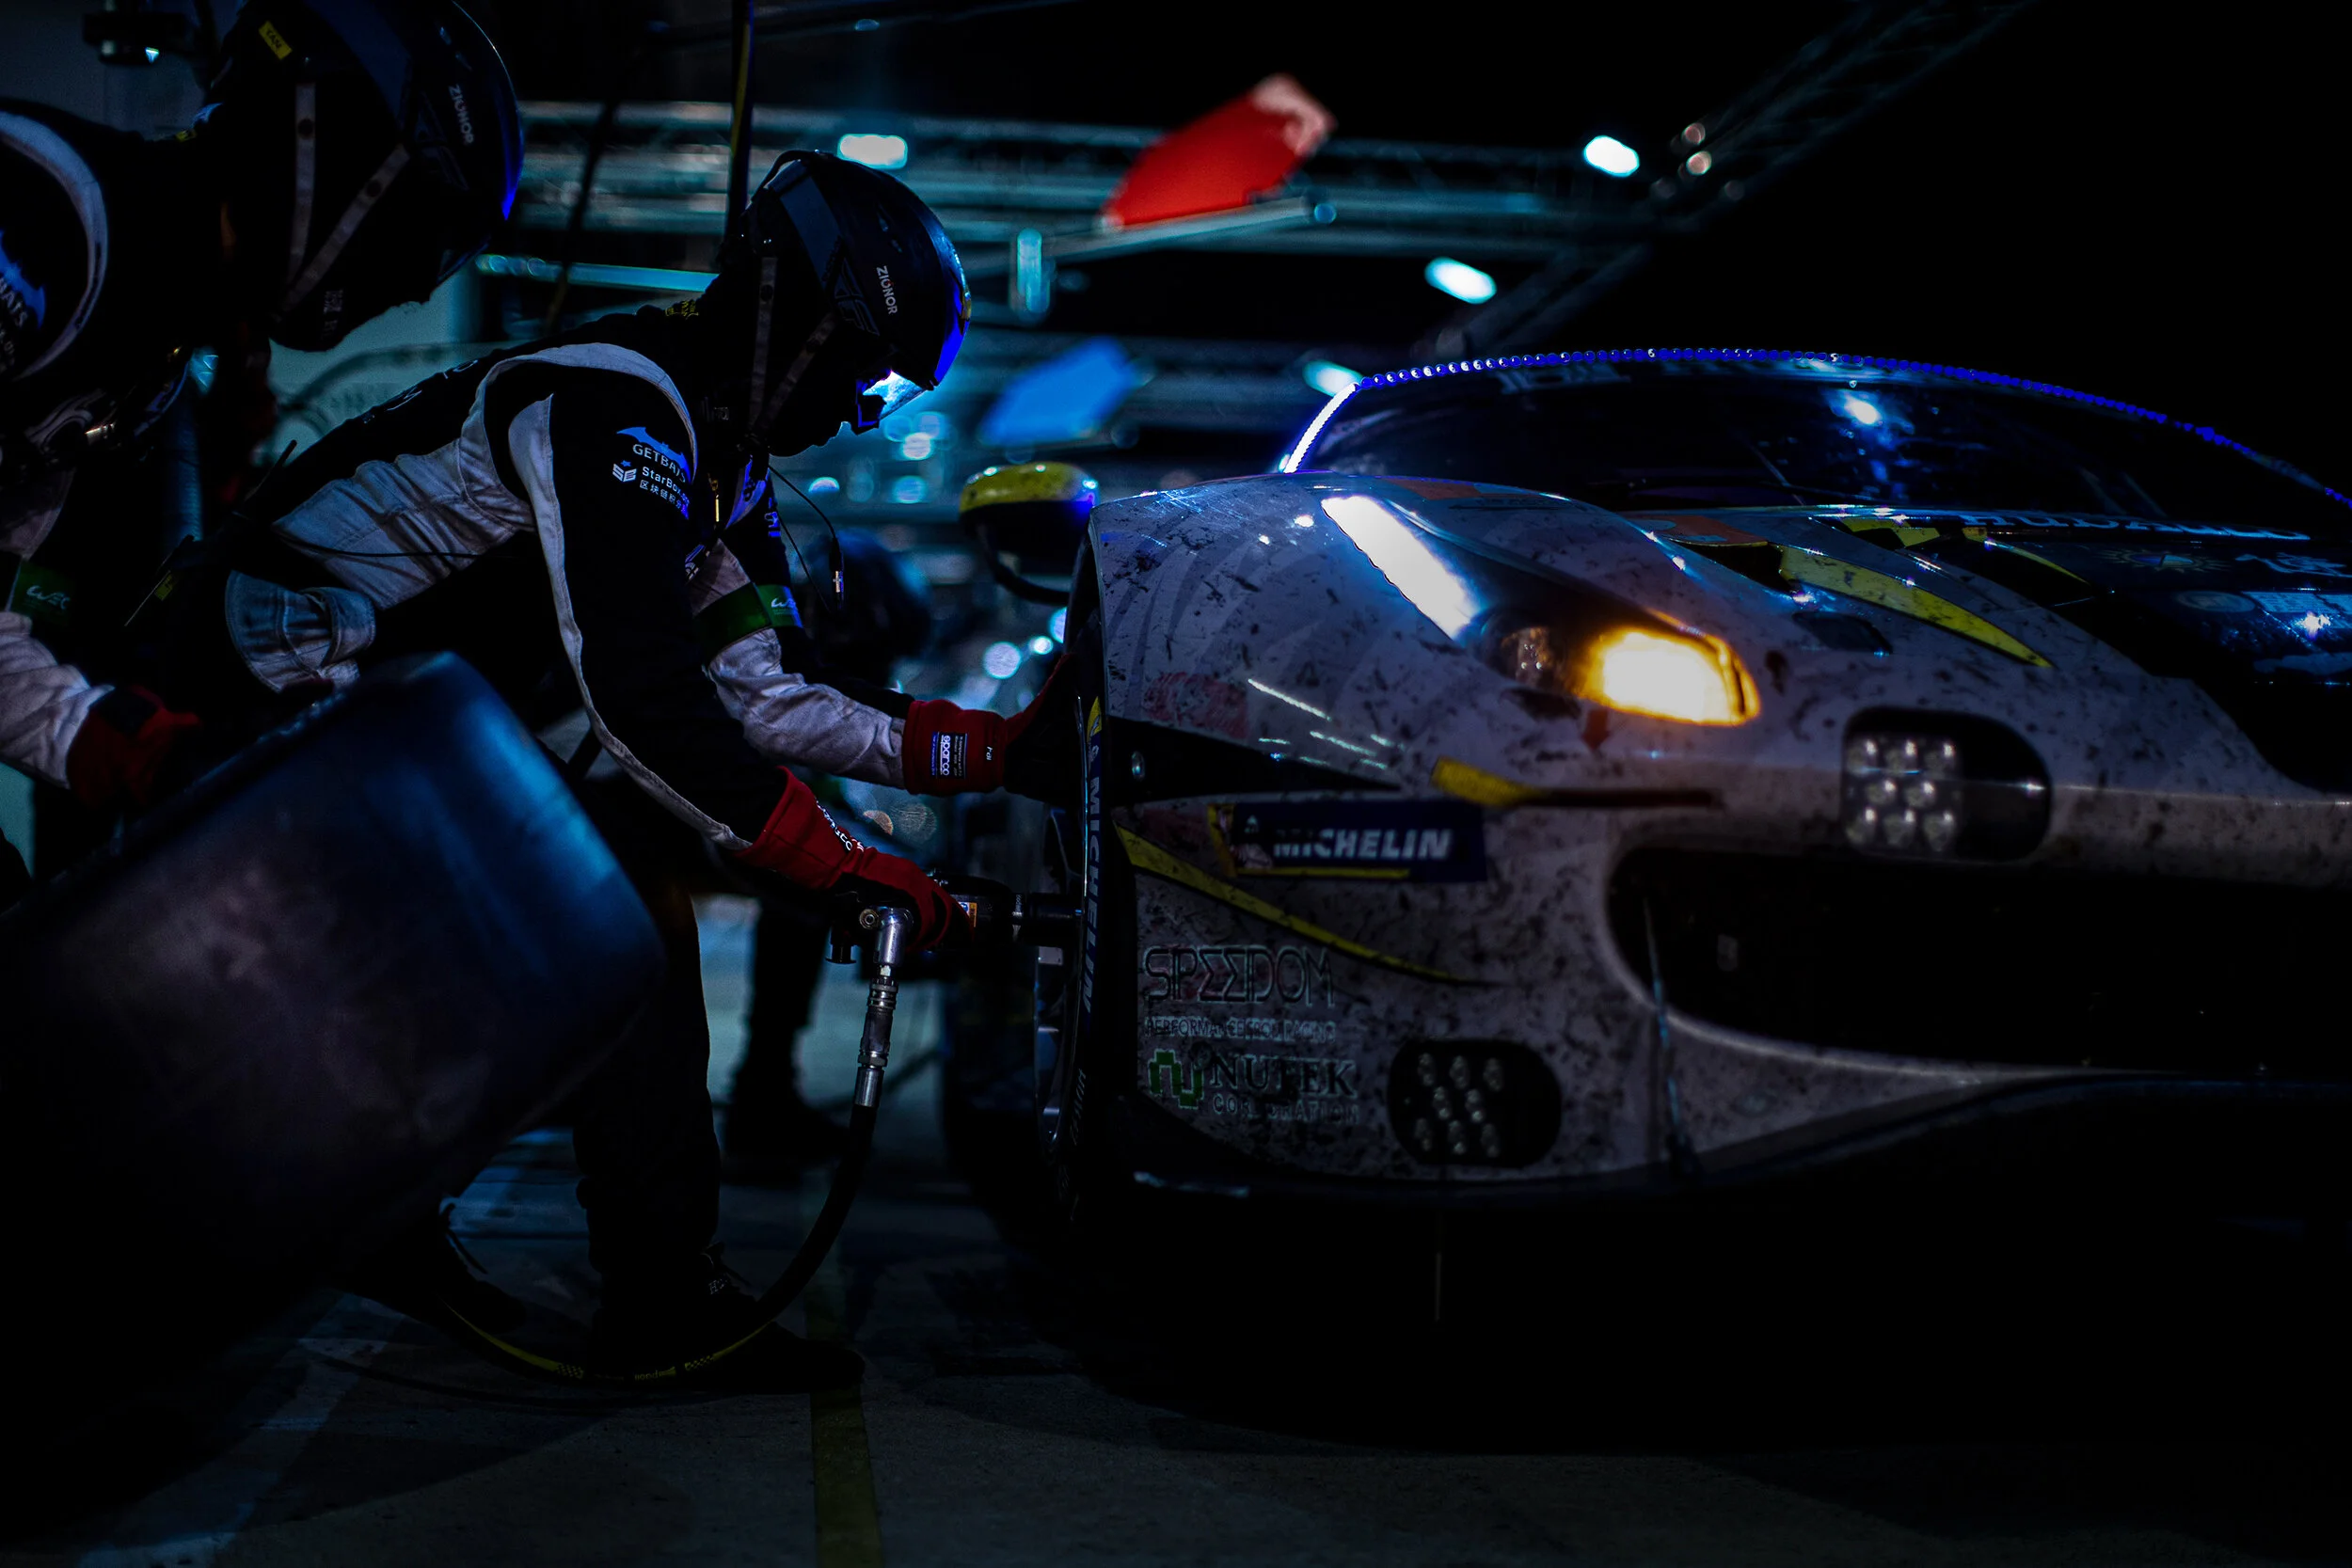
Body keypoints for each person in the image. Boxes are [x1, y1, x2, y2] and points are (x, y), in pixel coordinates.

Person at [143, 150, 1069, 1374]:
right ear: (794, 314)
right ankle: (621, 1274)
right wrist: (840, 860)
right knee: (617, 879)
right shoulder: (615, 404)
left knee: (614, 888)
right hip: (240, 683)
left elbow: (769, 702)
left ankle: (532, 1241)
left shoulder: (721, 462)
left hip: (383, 716)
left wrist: (994, 751)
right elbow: (641, 696)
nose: (859, 409)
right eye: (862, 370)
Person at [0, 0, 524, 892]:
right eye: (410, 242)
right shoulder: (46, 214)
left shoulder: (147, 367)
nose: (400, 291)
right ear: (329, 152)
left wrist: (133, 744)